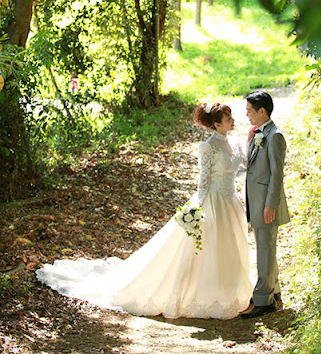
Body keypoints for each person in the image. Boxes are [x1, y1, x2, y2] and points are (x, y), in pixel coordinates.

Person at [36, 102, 252, 320]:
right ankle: (206, 295)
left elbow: (243, 164)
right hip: (212, 201)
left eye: (231, 117)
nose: (233, 121)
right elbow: (203, 180)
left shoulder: (234, 143)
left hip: (230, 201)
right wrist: (198, 208)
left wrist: (255, 139)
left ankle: (229, 291)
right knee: (207, 248)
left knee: (229, 245)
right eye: (228, 118)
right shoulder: (207, 147)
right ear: (216, 124)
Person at [240, 90, 290, 319]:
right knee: (267, 249)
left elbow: (277, 175)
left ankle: (263, 300)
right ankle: (274, 292)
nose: (247, 115)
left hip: (266, 204)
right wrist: (250, 139)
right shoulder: (259, 133)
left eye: (250, 111)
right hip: (257, 201)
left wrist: (270, 204)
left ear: (262, 111)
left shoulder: (275, 136)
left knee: (265, 250)